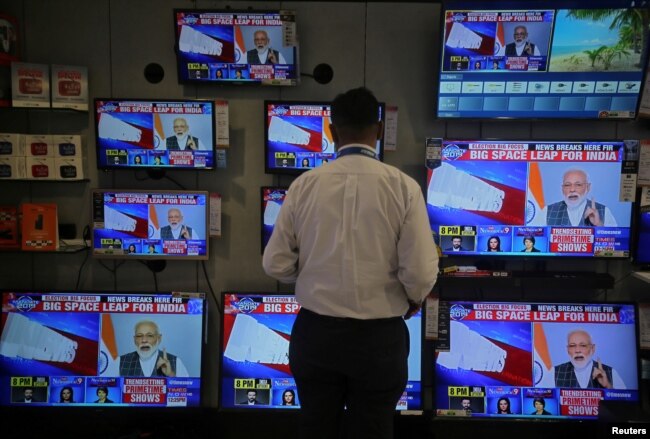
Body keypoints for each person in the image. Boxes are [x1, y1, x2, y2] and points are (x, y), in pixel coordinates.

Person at [262, 87, 439, 439]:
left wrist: (312, 272)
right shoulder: (403, 188)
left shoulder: (303, 186)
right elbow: (419, 273)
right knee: (373, 428)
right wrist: (412, 300)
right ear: (378, 130)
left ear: (331, 130)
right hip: (379, 340)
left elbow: (275, 265)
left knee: (316, 426)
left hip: (316, 336)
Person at [531, 168, 617, 227]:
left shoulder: (604, 211)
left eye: (578, 185)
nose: (572, 189)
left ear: (588, 187)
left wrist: (599, 225)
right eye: (567, 185)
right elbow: (534, 239)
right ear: (562, 189)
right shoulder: (547, 211)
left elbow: (615, 247)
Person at [104, 319, 189, 377]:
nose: (144, 340)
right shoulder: (120, 361)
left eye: (150, 336)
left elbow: (188, 395)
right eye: (139, 336)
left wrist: (171, 375)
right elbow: (108, 389)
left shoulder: (176, 362)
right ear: (134, 340)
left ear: (159, 338)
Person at [553, 329, 626, 389]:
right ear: (567, 350)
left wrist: (608, 386)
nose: (577, 350)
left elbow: (625, 405)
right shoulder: (554, 372)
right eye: (572, 346)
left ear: (593, 348)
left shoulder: (611, 372)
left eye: (583, 345)